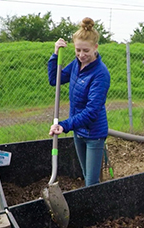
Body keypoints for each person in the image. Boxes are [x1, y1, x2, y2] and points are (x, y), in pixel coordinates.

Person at [48, 17, 111, 187]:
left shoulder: (100, 74)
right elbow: (55, 79)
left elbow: (91, 112)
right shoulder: (77, 64)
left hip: (94, 134)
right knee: (86, 176)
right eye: (78, 50)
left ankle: (97, 210)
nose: (81, 55)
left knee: (91, 182)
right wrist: (55, 54)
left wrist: (65, 125)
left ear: (95, 48)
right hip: (78, 131)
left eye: (86, 51)